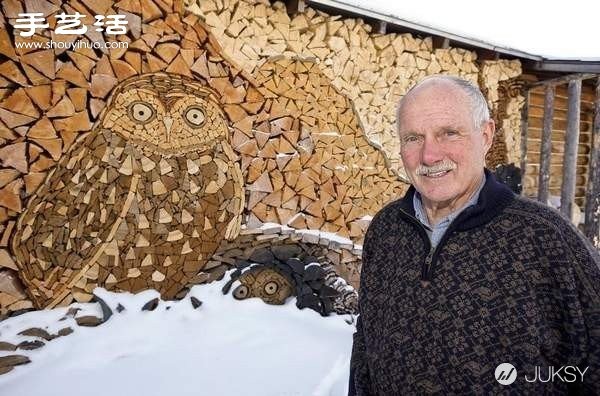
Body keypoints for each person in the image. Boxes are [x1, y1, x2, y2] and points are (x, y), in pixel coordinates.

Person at [348, 75, 600, 395]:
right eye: (413, 138)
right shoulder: (386, 229)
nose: (429, 155)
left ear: (486, 136)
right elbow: (366, 342)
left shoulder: (546, 238)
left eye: (449, 133)